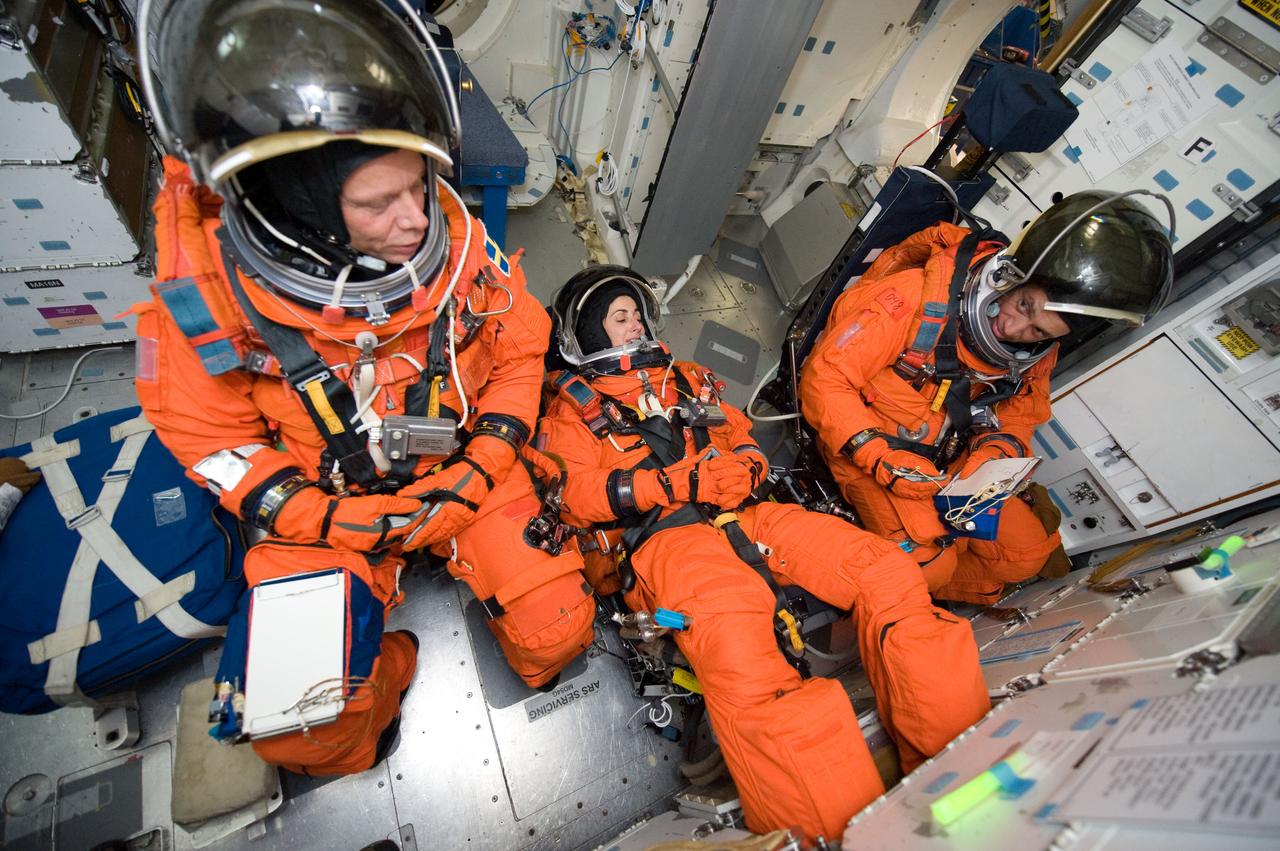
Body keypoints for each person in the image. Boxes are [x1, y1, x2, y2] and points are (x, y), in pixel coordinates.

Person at [132, 0, 593, 774]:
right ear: (305, 210)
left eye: (418, 185)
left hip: (463, 470)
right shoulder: (202, 304)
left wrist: (483, 463)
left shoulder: (458, 246)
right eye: (380, 204)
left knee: (558, 631)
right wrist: (343, 521)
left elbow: (520, 352)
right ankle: (395, 660)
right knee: (305, 734)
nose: (416, 219)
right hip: (328, 504)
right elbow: (214, 446)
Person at [537, 266, 990, 844]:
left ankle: (952, 762)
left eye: (637, 314)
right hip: (661, 539)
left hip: (743, 515)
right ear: (589, 337)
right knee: (744, 649)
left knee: (886, 569)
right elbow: (572, 496)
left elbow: (742, 436)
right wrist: (674, 485)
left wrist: (746, 467)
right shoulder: (569, 414)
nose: (635, 327)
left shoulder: (690, 380)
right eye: (619, 318)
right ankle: (836, 834)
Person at [799, 191, 1174, 605]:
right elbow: (824, 378)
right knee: (932, 565)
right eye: (1024, 305)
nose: (1015, 330)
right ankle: (905, 577)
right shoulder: (913, 300)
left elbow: (1020, 418)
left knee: (1025, 555)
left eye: (1037, 331)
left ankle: (911, 583)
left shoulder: (1033, 358)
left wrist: (990, 457)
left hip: (949, 460)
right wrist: (877, 455)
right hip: (869, 445)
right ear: (1011, 276)